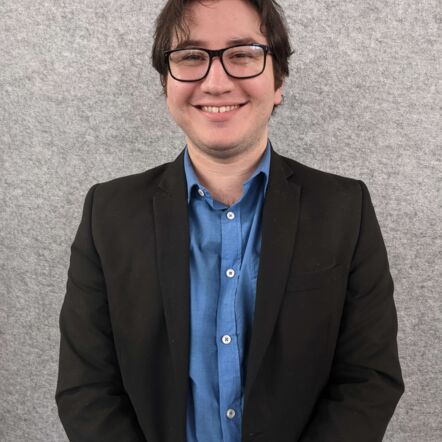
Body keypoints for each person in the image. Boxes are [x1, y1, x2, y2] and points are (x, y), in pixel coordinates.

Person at [55, 0, 404, 441]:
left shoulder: (344, 209)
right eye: (190, 57)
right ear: (166, 82)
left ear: (278, 80)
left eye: (243, 54)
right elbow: (86, 389)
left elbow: (368, 380)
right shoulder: (108, 214)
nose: (216, 81)